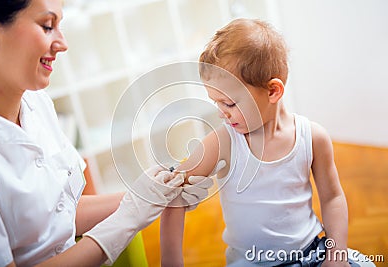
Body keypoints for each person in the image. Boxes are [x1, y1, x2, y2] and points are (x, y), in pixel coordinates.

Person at [0, 0, 215, 266]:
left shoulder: (37, 104)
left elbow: (59, 214)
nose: (62, 43)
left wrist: (149, 197)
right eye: (48, 26)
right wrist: (127, 219)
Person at [160, 19, 375, 266]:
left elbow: (332, 197)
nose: (222, 113)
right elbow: (173, 194)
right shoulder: (223, 142)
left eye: (229, 104)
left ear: (273, 91)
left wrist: (335, 255)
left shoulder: (313, 137)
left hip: (310, 252)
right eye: (216, 102)